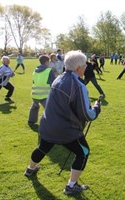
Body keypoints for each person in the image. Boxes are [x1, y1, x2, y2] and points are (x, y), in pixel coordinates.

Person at [24, 50, 101, 195]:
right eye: (85, 64)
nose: (86, 67)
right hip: (66, 129)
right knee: (83, 152)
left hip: (48, 124)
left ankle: (30, 169)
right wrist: (97, 107)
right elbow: (87, 114)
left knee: (42, 147)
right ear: (78, 67)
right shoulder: (79, 85)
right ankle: (71, 186)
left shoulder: (58, 78)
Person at [28, 55, 56, 125]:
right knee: (49, 110)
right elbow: (54, 82)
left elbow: (34, 81)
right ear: (46, 62)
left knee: (34, 107)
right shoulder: (49, 70)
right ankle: (48, 123)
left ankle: (31, 121)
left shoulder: (35, 70)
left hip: (35, 93)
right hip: (45, 94)